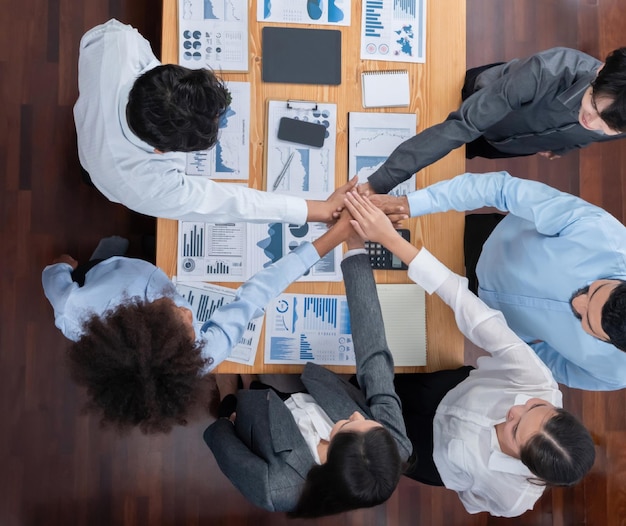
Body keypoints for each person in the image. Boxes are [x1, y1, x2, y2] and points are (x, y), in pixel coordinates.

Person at [344, 190, 596, 517]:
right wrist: (391, 241)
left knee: (349, 425)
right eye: (534, 407)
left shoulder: (512, 498)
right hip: (442, 388)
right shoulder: (536, 380)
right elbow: (471, 309)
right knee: (361, 369)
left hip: (426, 455)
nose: (513, 410)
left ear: (526, 468)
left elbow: (472, 499)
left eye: (515, 430)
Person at [41, 225, 348, 433]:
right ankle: (112, 254)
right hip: (123, 272)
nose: (189, 313)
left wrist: (63, 264)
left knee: (109, 257)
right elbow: (258, 294)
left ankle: (108, 254)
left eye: (175, 311)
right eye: (186, 323)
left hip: (103, 274)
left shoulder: (72, 308)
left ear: (138, 314)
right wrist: (332, 239)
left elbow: (54, 272)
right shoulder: (203, 355)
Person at [203, 216, 412, 516]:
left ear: (332, 452)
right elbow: (374, 354)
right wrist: (355, 249)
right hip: (305, 382)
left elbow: (220, 441)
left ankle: (233, 388)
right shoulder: (393, 446)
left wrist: (228, 412)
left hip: (253, 419)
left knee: (235, 384)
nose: (358, 412)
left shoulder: (274, 488)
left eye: (351, 423)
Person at [74, 19, 357, 223]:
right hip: (100, 172)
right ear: (162, 151)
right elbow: (234, 205)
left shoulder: (117, 40)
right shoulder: (142, 186)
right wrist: (318, 209)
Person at [370, 171, 626, 390]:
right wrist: (411, 203)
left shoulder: (615, 373)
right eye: (592, 290)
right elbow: (502, 189)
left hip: (465, 318)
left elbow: (542, 366)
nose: (577, 302)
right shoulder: (601, 233)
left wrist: (503, 340)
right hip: (472, 243)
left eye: (585, 321)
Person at [363, 47, 626, 195]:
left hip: (508, 143)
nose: (591, 123)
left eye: (606, 127)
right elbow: (464, 125)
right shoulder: (548, 70)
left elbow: (590, 135)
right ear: (600, 71)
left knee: (471, 151)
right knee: (432, 118)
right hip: (476, 99)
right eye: (592, 104)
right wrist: (379, 182)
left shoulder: (618, 120)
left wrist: (561, 148)